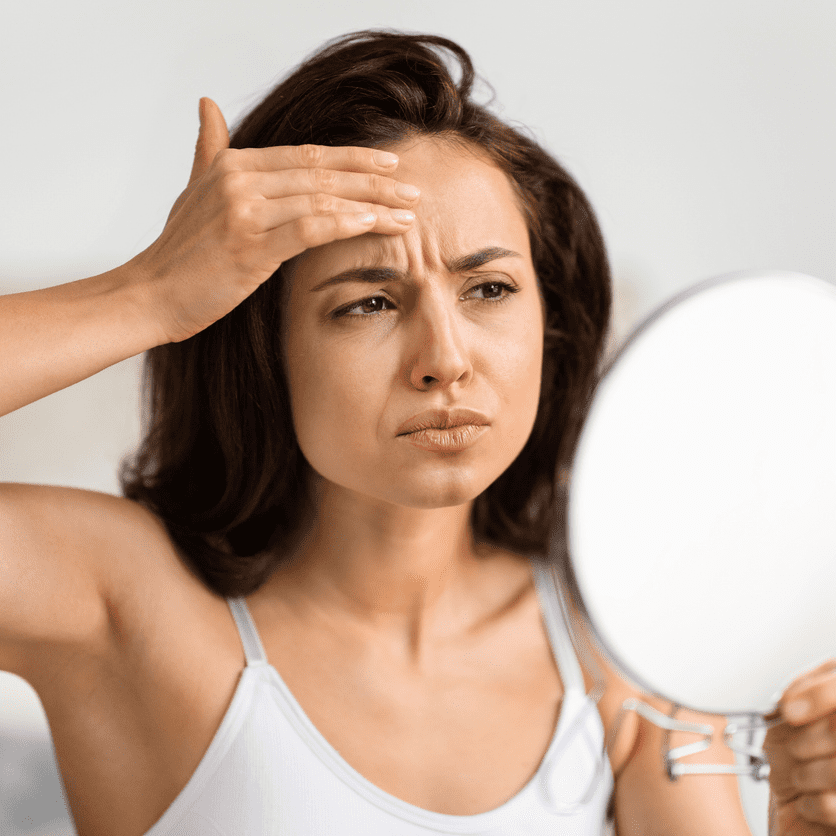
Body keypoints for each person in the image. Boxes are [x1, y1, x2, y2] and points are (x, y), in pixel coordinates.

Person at [0, 28, 833, 836]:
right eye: (368, 302)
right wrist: (148, 292)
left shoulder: (619, 648)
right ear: (264, 353)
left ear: (555, 326)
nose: (445, 360)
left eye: (490, 290)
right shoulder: (121, 600)